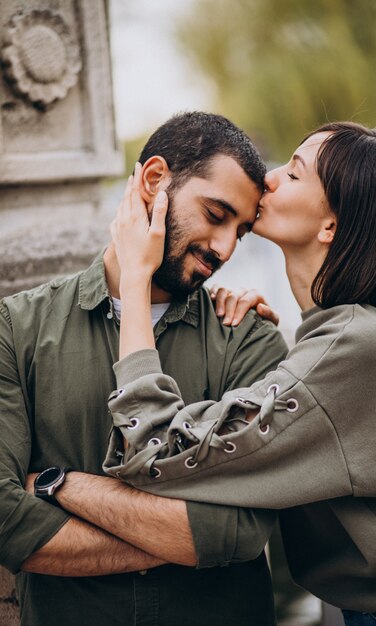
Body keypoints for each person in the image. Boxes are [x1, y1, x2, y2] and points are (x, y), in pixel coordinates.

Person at [55, 121, 376, 626]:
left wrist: (136, 282)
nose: (268, 179)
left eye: (293, 173)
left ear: (329, 226)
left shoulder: (357, 344)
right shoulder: (356, 333)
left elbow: (158, 452)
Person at [0, 112, 289, 626]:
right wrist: (186, 538)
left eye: (241, 232)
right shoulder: (16, 327)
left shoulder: (249, 336)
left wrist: (56, 485)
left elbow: (241, 532)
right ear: (155, 180)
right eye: (216, 214)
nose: (224, 248)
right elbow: (5, 525)